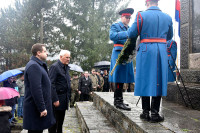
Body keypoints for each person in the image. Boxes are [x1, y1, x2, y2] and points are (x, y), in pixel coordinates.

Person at [127, 0, 173, 122]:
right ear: (157, 3)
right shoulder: (167, 17)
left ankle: (145, 112)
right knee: (159, 79)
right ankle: (155, 113)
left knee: (144, 79)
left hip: (146, 50)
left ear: (147, 3)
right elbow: (170, 36)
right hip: (161, 50)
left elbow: (132, 33)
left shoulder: (141, 15)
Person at [23, 43, 55, 133]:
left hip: (37, 108)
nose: (47, 53)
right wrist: (41, 108)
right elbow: (36, 89)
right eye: (45, 51)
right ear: (38, 53)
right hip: (35, 109)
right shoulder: (34, 66)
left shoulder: (38, 65)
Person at [109, 8, 135, 111]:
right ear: (122, 17)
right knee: (119, 76)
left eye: (129, 17)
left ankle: (120, 100)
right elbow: (112, 36)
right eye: (126, 17)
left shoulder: (130, 28)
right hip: (118, 52)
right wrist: (127, 33)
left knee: (125, 77)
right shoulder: (116, 26)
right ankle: (118, 101)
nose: (128, 19)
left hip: (127, 53)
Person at [48, 50, 71, 133]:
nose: (68, 59)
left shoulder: (66, 67)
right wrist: (55, 99)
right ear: (61, 57)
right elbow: (51, 84)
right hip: (57, 99)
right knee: (54, 122)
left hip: (64, 99)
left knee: (60, 122)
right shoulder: (55, 67)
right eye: (67, 57)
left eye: (69, 57)